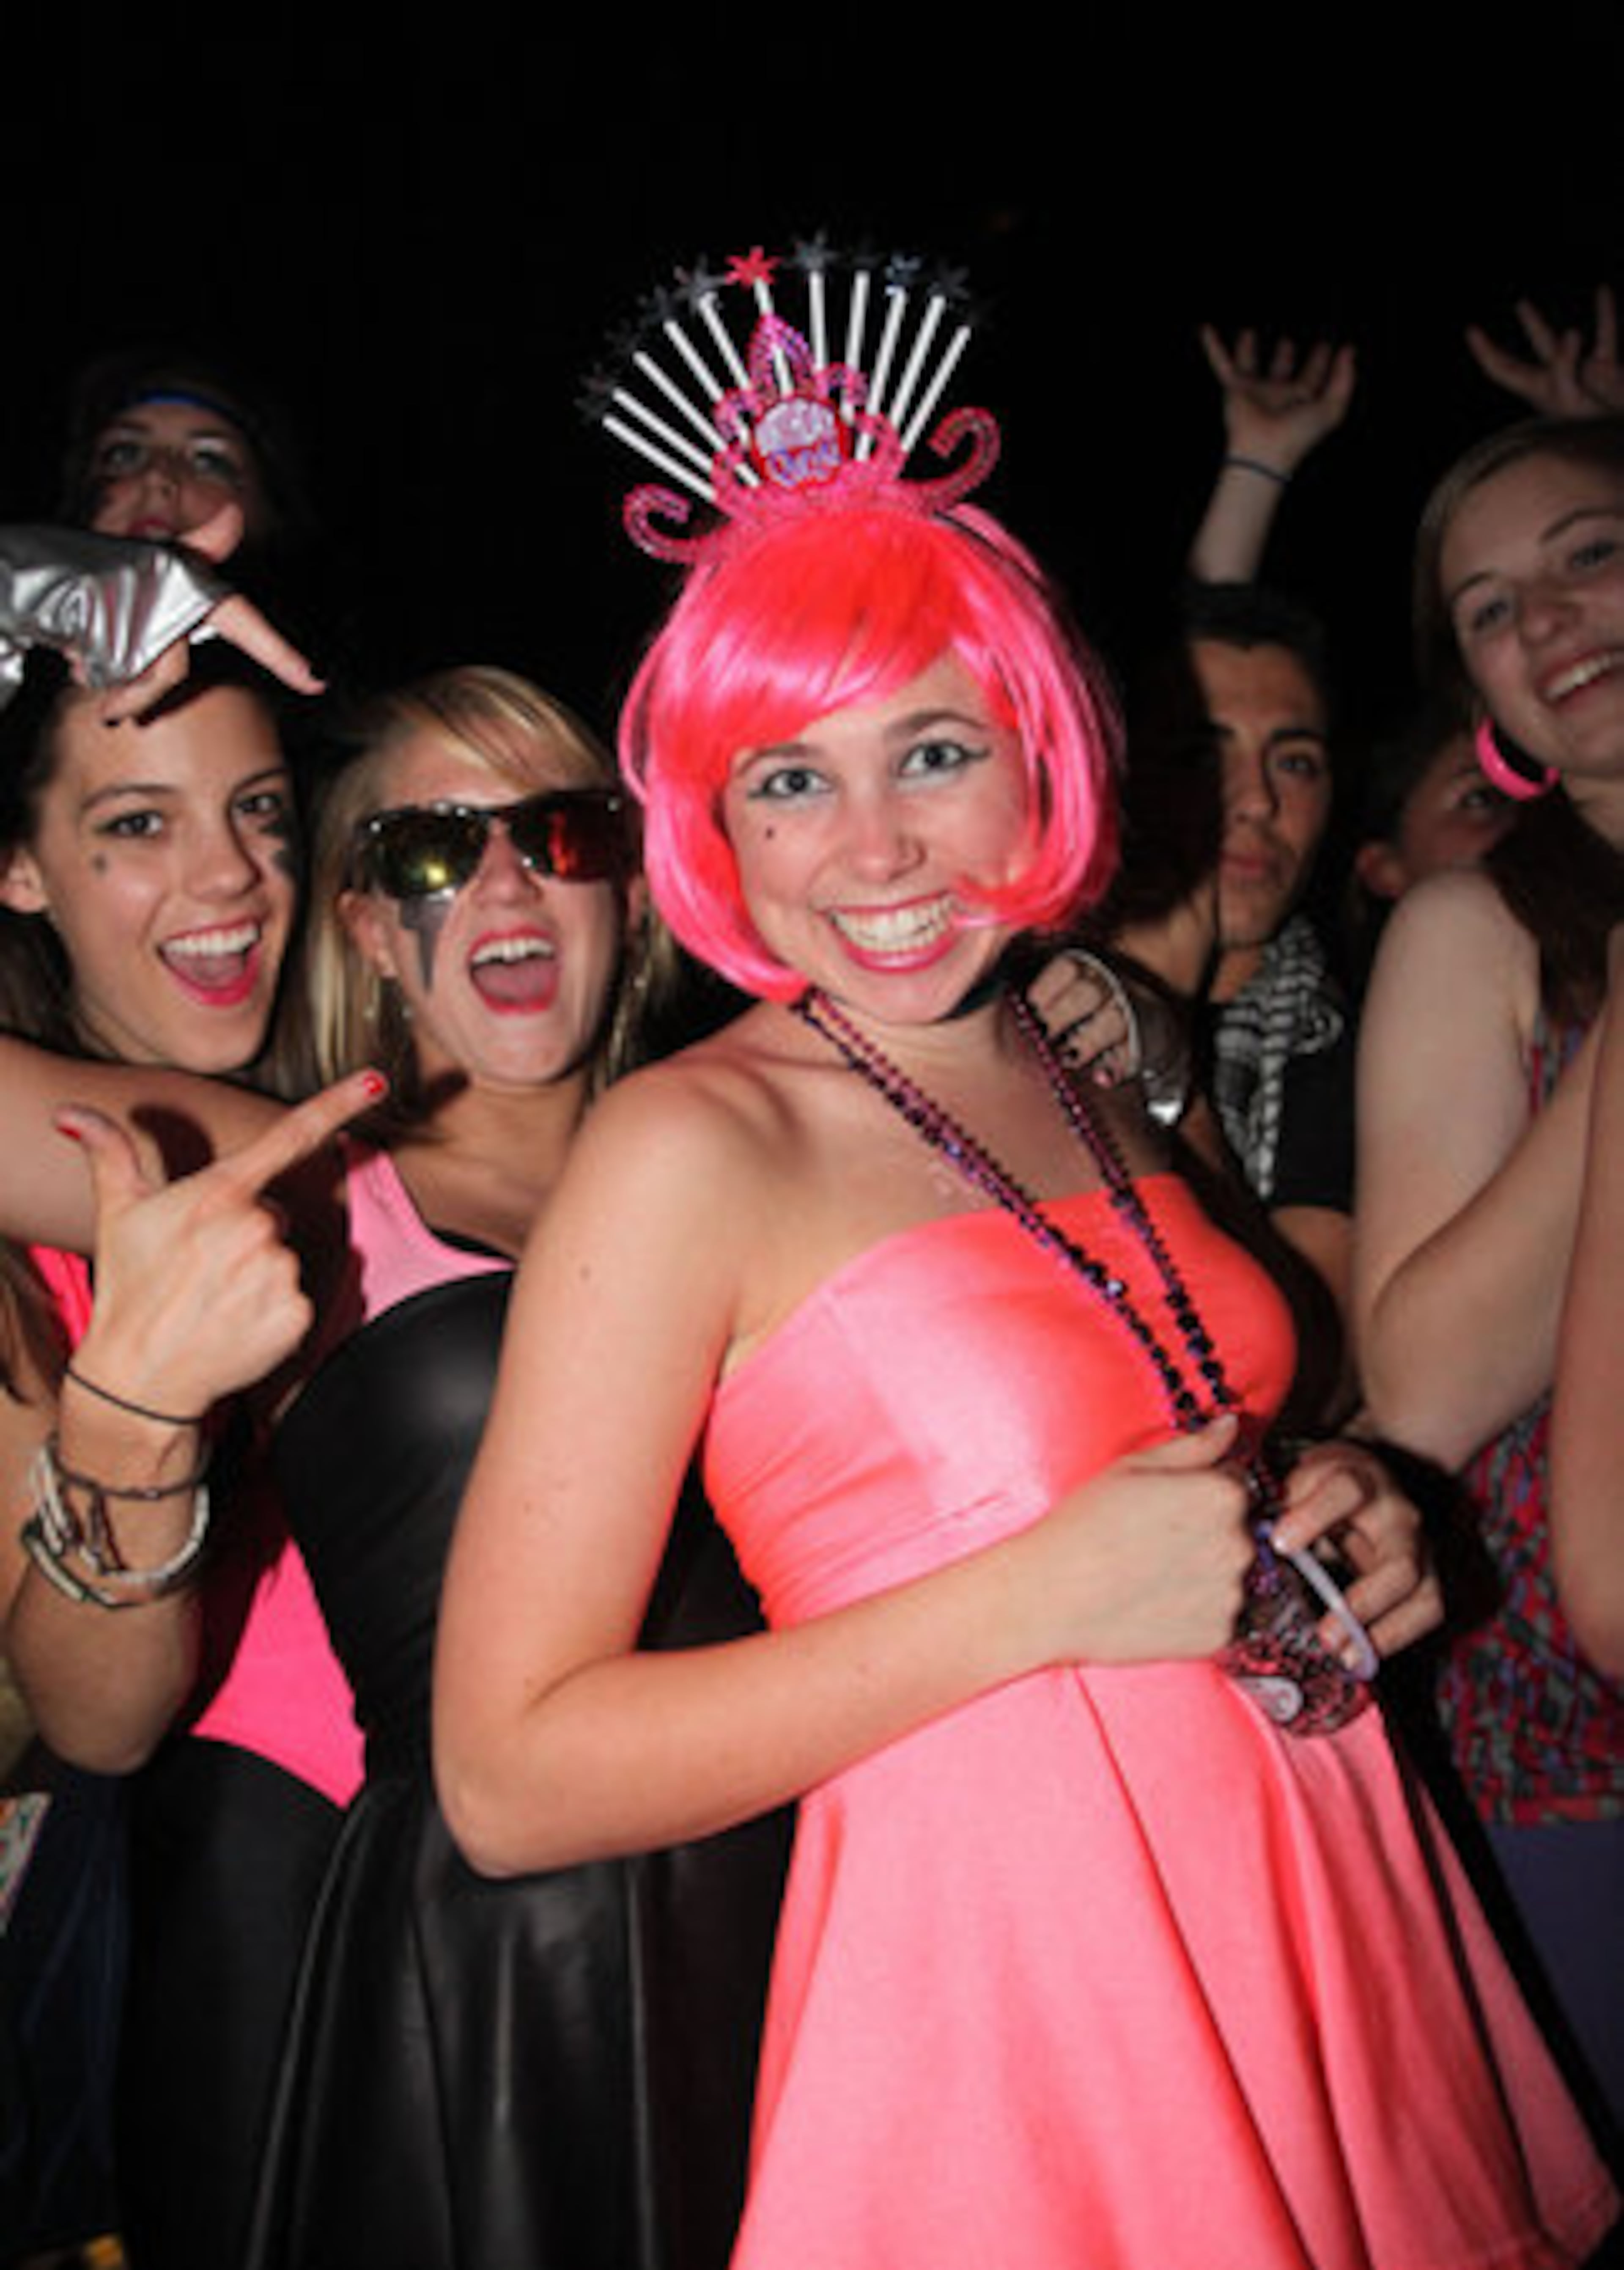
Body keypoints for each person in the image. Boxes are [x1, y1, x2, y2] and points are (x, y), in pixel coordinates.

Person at [433, 292, 1616, 2268]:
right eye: (787, 778)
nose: (872, 845)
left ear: (1039, 752)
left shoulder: (1072, 1051)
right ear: (711, 818)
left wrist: (1342, 1515)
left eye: (933, 749)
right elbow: (506, 1774)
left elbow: (1162, 1441)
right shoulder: (689, 1147)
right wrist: (1031, 1602)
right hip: (1020, 1990)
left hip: (1314, 1886)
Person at [8, 666, 788, 2270]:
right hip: (469, 1954)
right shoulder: (301, 1180)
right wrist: (34, 603)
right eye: (434, 851)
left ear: (631, 892)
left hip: (793, 1895)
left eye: (561, 833)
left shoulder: (782, 1149)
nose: (504, 882)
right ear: (365, 925)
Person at [0, 636, 349, 2268]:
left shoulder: (376, 1099)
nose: (229, 877)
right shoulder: (41, 1219)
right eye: (136, 824)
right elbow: (95, 1719)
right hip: (174, 1982)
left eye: (261, 811)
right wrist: (133, 1418)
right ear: (17, 866)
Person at [1355, 411, 1624, 2160]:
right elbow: (1429, 1394)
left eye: (1591, 554)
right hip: (1566, 1752)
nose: (1548, 623)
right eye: (1486, 609)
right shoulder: (1482, 929)